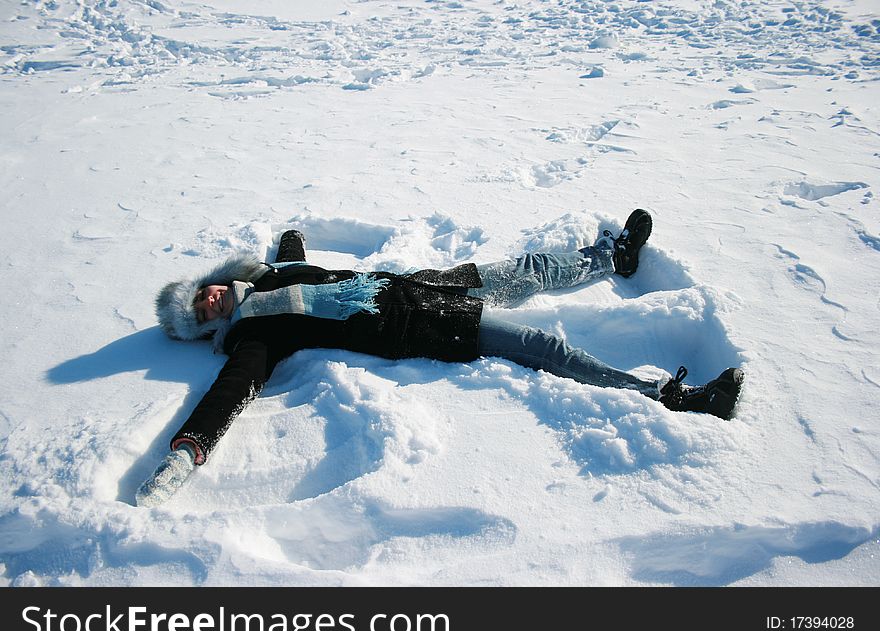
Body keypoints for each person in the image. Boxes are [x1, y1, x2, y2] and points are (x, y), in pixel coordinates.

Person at [137, 210, 744, 507]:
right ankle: (667, 396)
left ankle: (614, 260)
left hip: (420, 284)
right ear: (205, 329)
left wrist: (288, 247)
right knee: (545, 348)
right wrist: (185, 454)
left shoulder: (270, 278)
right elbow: (230, 392)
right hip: (423, 325)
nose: (209, 301)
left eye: (203, 291)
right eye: (201, 313)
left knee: (525, 271)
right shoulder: (254, 338)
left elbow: (301, 265)